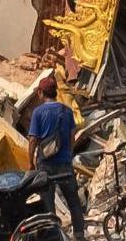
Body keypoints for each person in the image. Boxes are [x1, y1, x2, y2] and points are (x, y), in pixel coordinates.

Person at [26, 77, 88, 241]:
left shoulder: (38, 112)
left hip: (45, 164)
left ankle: (54, 236)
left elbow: (33, 139)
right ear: (55, 92)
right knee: (73, 200)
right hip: (65, 164)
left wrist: (30, 162)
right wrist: (68, 153)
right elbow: (72, 135)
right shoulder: (66, 111)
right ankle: (79, 235)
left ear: (40, 92)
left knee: (48, 202)